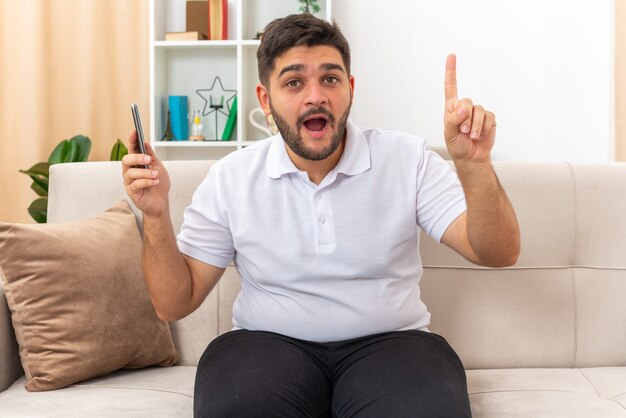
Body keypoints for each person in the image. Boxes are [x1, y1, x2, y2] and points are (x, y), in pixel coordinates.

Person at [122, 13, 519, 418]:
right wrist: (155, 214)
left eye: (330, 79)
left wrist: (474, 165)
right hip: (264, 345)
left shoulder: (408, 159)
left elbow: (497, 252)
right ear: (266, 100)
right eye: (294, 82)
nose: (316, 96)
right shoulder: (231, 177)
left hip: (394, 344)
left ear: (350, 89)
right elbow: (173, 304)